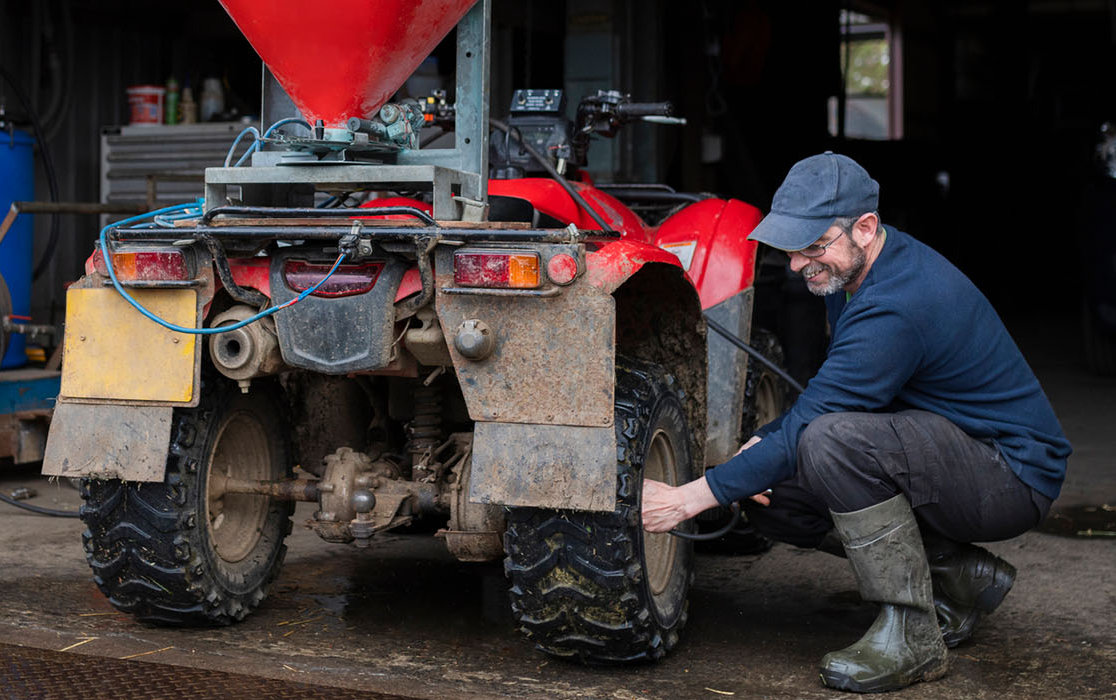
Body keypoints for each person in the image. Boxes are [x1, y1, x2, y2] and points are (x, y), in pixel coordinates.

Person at [642, 152, 1071, 693]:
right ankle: (957, 577)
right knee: (773, 497)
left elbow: (829, 420)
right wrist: (759, 453)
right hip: (948, 447)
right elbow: (842, 391)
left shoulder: (897, 304)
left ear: (865, 228)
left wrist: (689, 498)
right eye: (791, 251)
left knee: (828, 444)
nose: (798, 266)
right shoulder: (854, 275)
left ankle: (913, 634)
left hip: (1009, 472)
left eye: (813, 248)